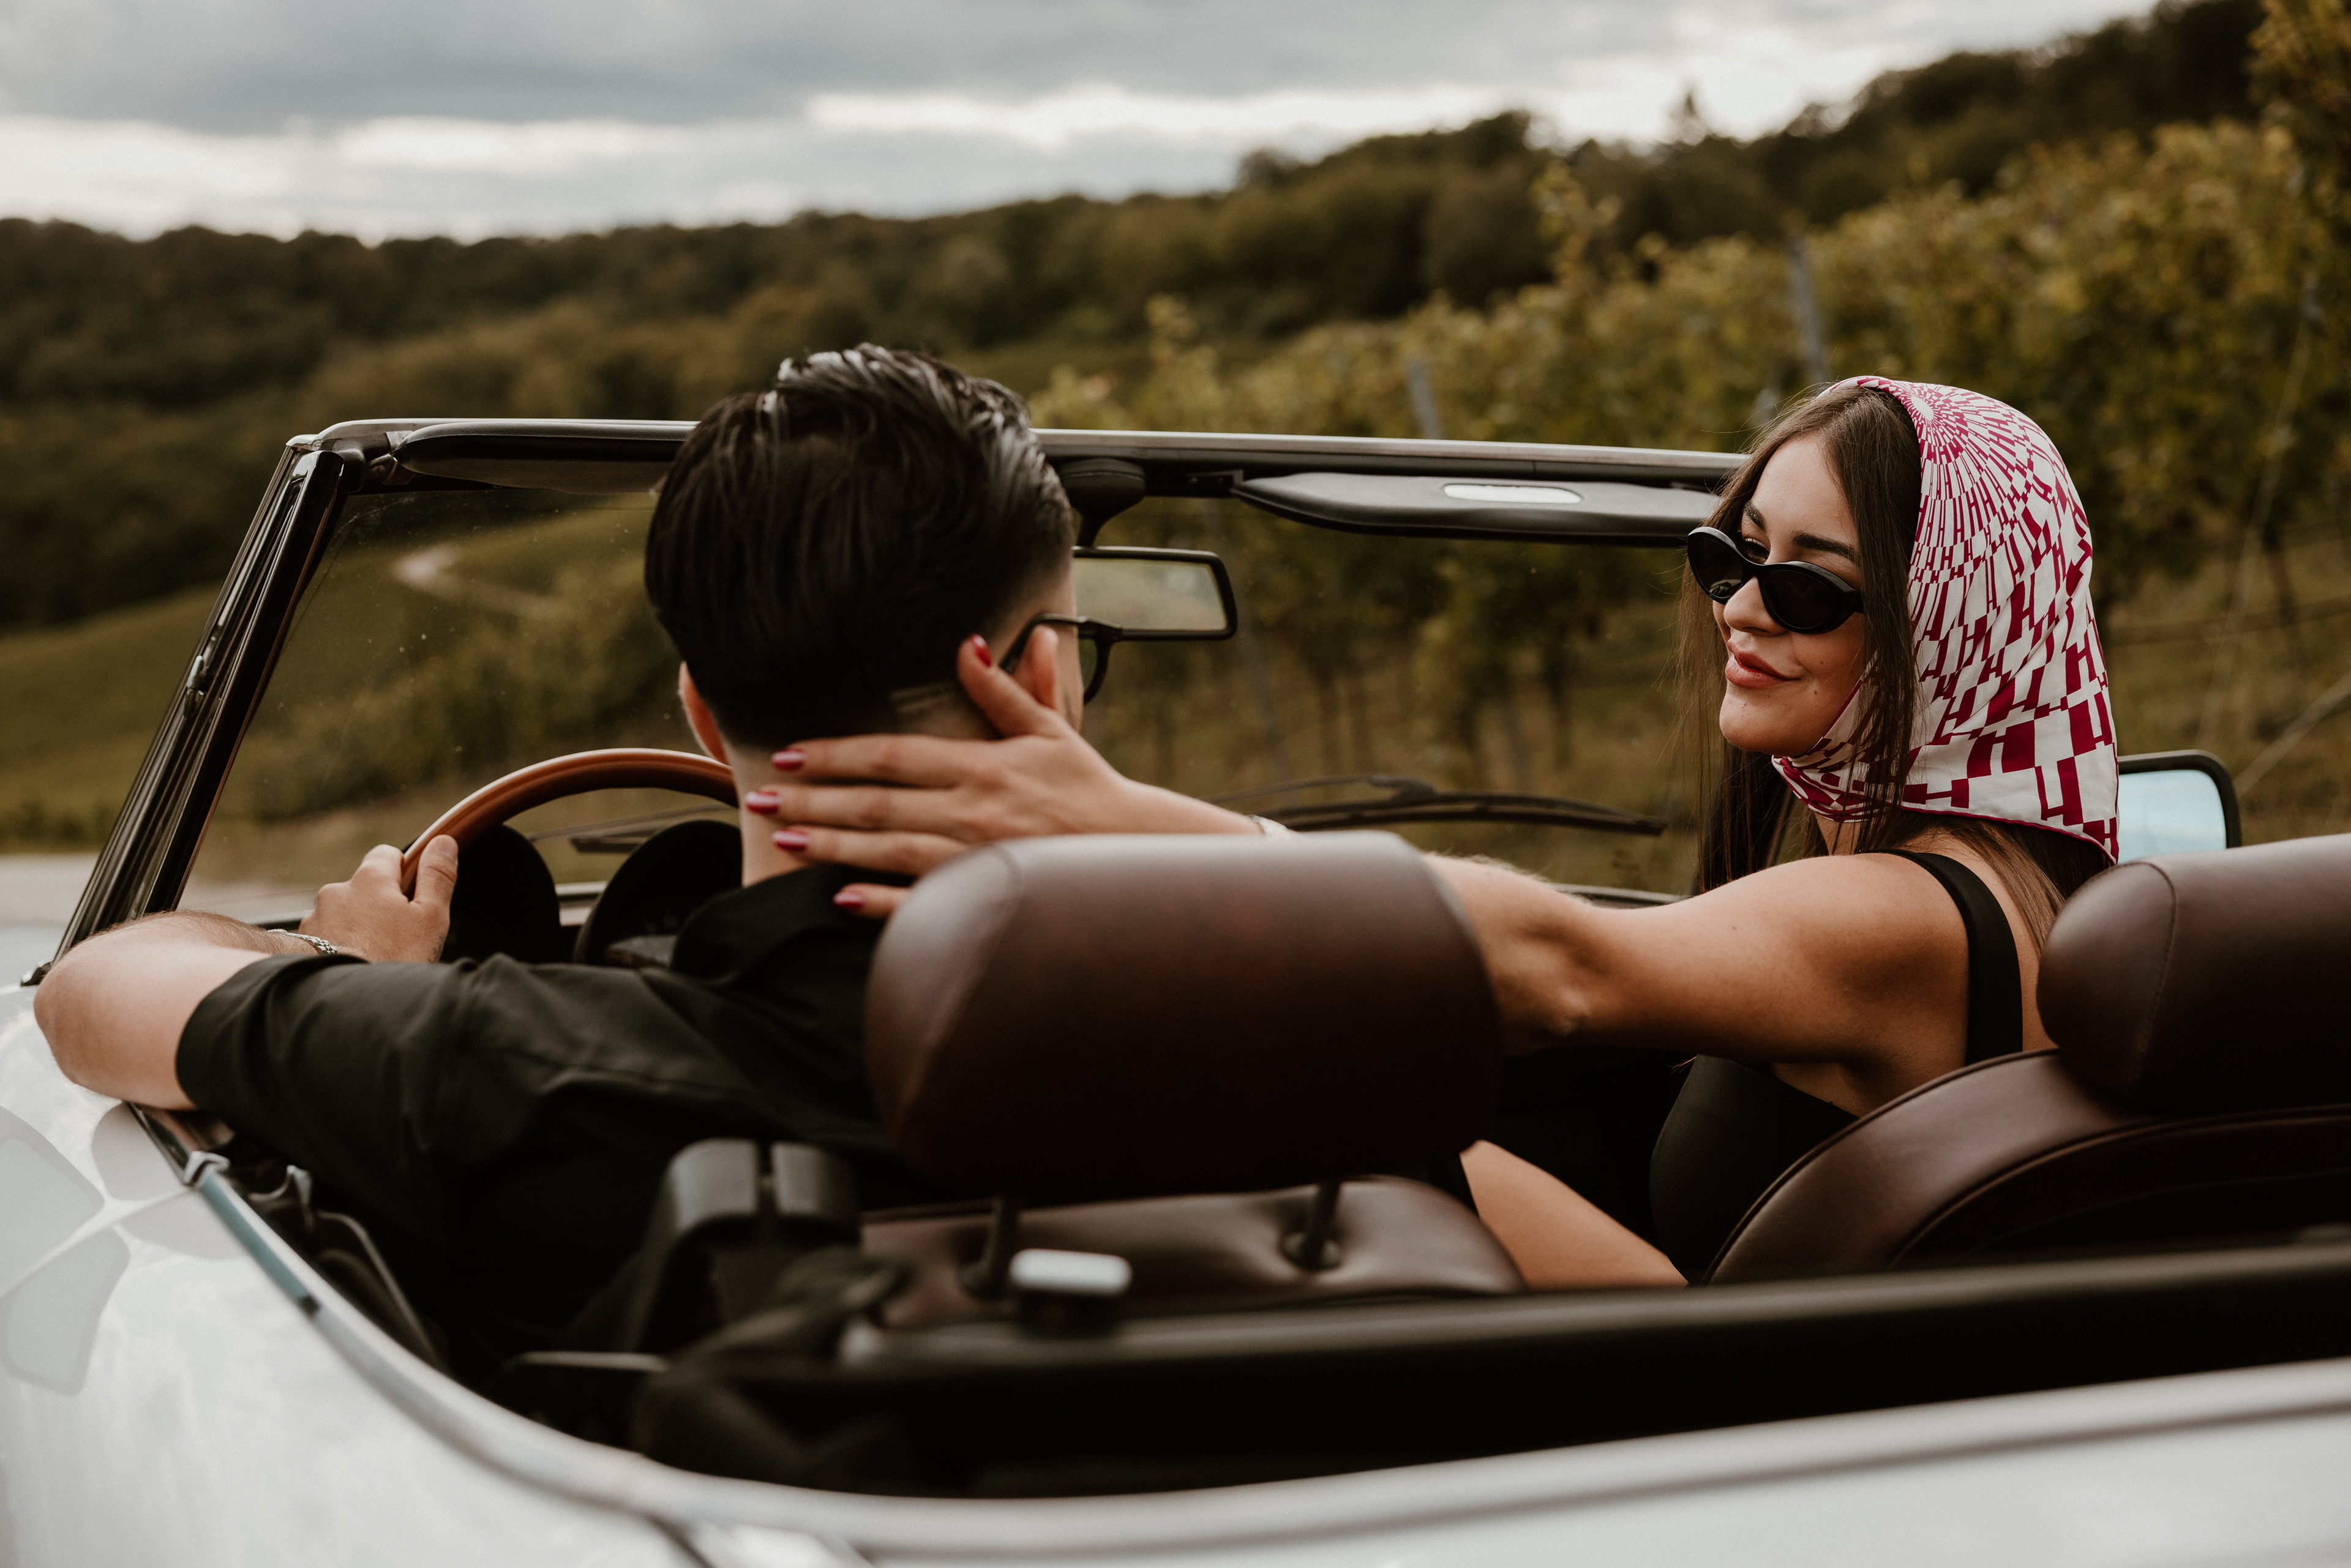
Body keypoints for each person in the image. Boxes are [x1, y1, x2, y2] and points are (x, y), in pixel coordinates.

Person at [747, 378, 2120, 1288]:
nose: (1741, 607)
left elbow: (1561, 964)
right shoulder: (1970, 886)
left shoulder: (1910, 917)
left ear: (1955, 631)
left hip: (1761, 1428)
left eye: (1811, 586)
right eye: (1729, 552)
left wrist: (1121, 832)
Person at [36, 347, 1097, 1378]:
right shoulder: (1193, 1025)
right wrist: (1181, 836)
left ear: (699, 707)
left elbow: (86, 990)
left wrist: (339, 968)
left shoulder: (482, 1063)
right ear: (1047, 682)